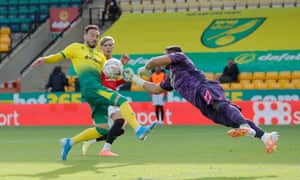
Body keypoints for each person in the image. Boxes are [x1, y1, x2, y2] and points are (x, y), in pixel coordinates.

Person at [30, 25, 157, 161]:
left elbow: (109, 76)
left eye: (96, 36)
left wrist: (121, 66)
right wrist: (44, 59)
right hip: (92, 89)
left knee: (102, 129)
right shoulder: (75, 48)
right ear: (85, 36)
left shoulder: (100, 57)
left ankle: (70, 142)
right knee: (123, 101)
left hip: (95, 92)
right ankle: (138, 129)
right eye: (91, 35)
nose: (94, 38)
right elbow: (59, 56)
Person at [123, 45, 279, 154]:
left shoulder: (180, 58)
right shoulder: (171, 78)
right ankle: (266, 137)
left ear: (172, 54)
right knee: (227, 120)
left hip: (204, 87)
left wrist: (145, 68)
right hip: (199, 102)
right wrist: (136, 80)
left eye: (165, 54)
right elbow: (156, 89)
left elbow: (155, 62)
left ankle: (245, 126)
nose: (164, 57)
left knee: (220, 105)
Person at [82, 36, 129, 157]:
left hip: (112, 94)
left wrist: (123, 73)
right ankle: (105, 150)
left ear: (113, 46)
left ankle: (90, 141)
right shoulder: (97, 61)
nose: (108, 47)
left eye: (110, 45)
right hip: (103, 97)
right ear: (101, 47)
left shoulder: (114, 62)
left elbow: (113, 82)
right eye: (105, 45)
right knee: (120, 120)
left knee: (119, 129)